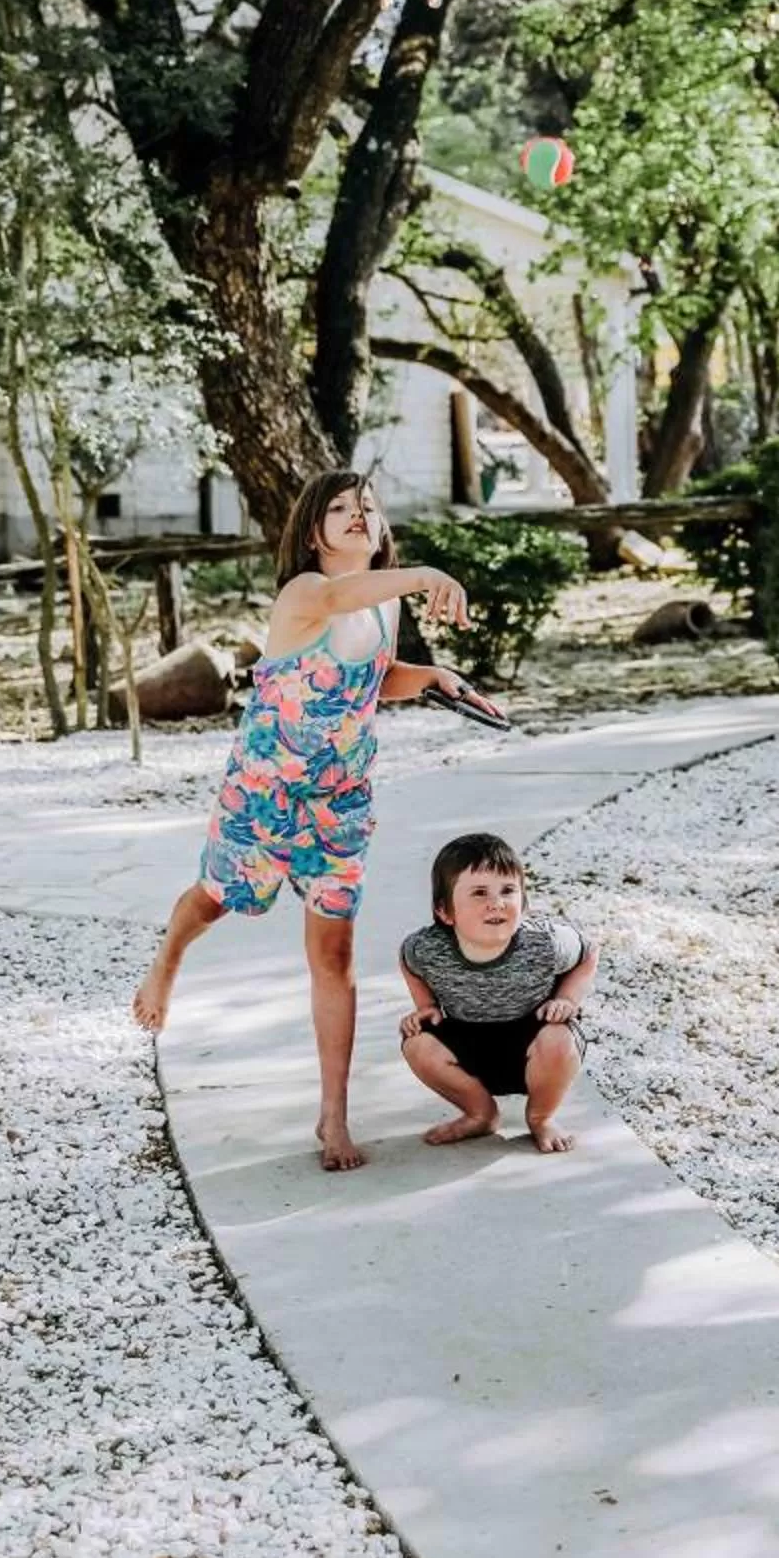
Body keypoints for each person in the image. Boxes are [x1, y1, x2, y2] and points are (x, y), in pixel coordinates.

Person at [131, 469, 473, 1173]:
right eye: (340, 509)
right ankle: (168, 959)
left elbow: (374, 677)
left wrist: (433, 678)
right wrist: (428, 572)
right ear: (313, 531)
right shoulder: (307, 593)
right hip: (264, 795)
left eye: (368, 508)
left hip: (339, 803)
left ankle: (334, 1115)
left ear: (380, 531)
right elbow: (344, 596)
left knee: (335, 958)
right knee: (214, 901)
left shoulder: (384, 607)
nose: (357, 516)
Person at [398, 832, 597, 1154]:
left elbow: (589, 953)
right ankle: (479, 1113)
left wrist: (567, 999)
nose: (496, 902)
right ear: (445, 912)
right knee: (416, 1042)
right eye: (479, 893)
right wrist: (425, 1004)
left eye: (508, 890)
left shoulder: (545, 943)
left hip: (534, 1039)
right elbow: (408, 961)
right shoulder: (429, 948)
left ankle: (541, 1117)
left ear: (524, 902)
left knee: (560, 1039)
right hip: (468, 1042)